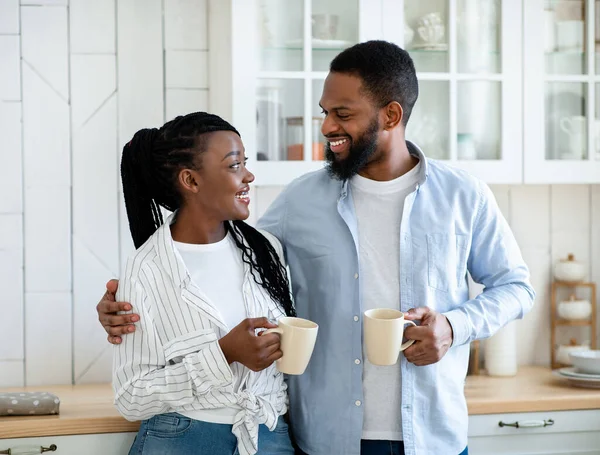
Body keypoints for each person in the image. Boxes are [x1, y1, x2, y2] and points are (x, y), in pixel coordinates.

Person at [98, 41, 535, 455]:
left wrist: (454, 327)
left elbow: (516, 287)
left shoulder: (464, 196)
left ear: (391, 114)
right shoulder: (300, 201)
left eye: (342, 114)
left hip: (433, 436)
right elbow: (228, 264)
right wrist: (129, 306)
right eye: (325, 112)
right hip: (324, 439)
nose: (327, 127)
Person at [111, 112, 296, 455]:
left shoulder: (265, 251)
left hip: (270, 437)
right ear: (191, 181)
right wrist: (223, 354)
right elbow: (130, 397)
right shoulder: (146, 269)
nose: (249, 175)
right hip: (183, 440)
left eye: (245, 163)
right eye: (234, 165)